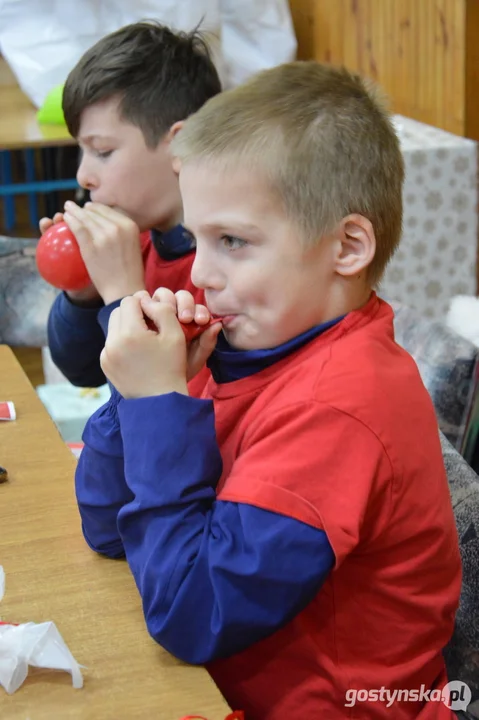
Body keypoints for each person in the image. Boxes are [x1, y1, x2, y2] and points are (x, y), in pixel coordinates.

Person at [74, 62, 462, 719]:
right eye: (196, 238)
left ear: (346, 245)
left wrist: (157, 407)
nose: (200, 273)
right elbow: (108, 527)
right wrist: (142, 392)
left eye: (232, 241)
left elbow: (193, 616)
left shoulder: (341, 403)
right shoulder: (247, 345)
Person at [44, 20, 221, 387]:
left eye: (103, 151)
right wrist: (84, 293)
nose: (83, 176)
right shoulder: (135, 239)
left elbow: (170, 398)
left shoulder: (224, 268)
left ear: (179, 145)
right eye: (83, 151)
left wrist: (123, 295)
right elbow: (82, 370)